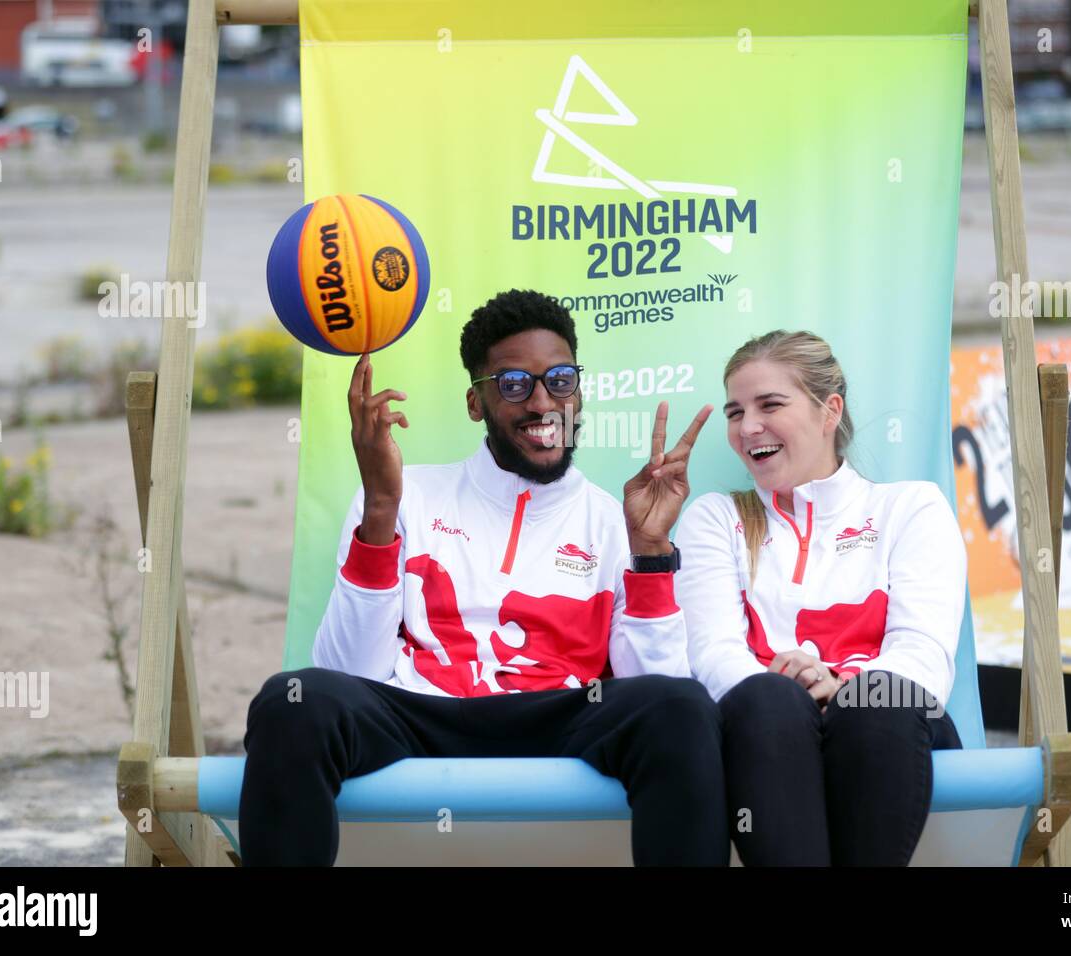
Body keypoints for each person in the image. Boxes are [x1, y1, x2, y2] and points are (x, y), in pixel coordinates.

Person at [240, 289, 729, 866]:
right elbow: (348, 674)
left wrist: (650, 553)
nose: (543, 402)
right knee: (292, 700)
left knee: (683, 705)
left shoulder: (617, 518)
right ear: (476, 403)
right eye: (515, 384)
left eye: (561, 380)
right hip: (420, 715)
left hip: (560, 718)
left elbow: (656, 686)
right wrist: (379, 507)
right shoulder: (406, 493)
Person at [675, 329, 966, 866]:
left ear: (829, 411)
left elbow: (925, 659)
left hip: (889, 730)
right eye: (735, 412)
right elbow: (710, 655)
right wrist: (793, 691)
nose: (748, 427)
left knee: (876, 699)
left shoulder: (911, 508)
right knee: (766, 700)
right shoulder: (715, 519)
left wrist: (837, 686)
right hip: (769, 730)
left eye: (770, 405)